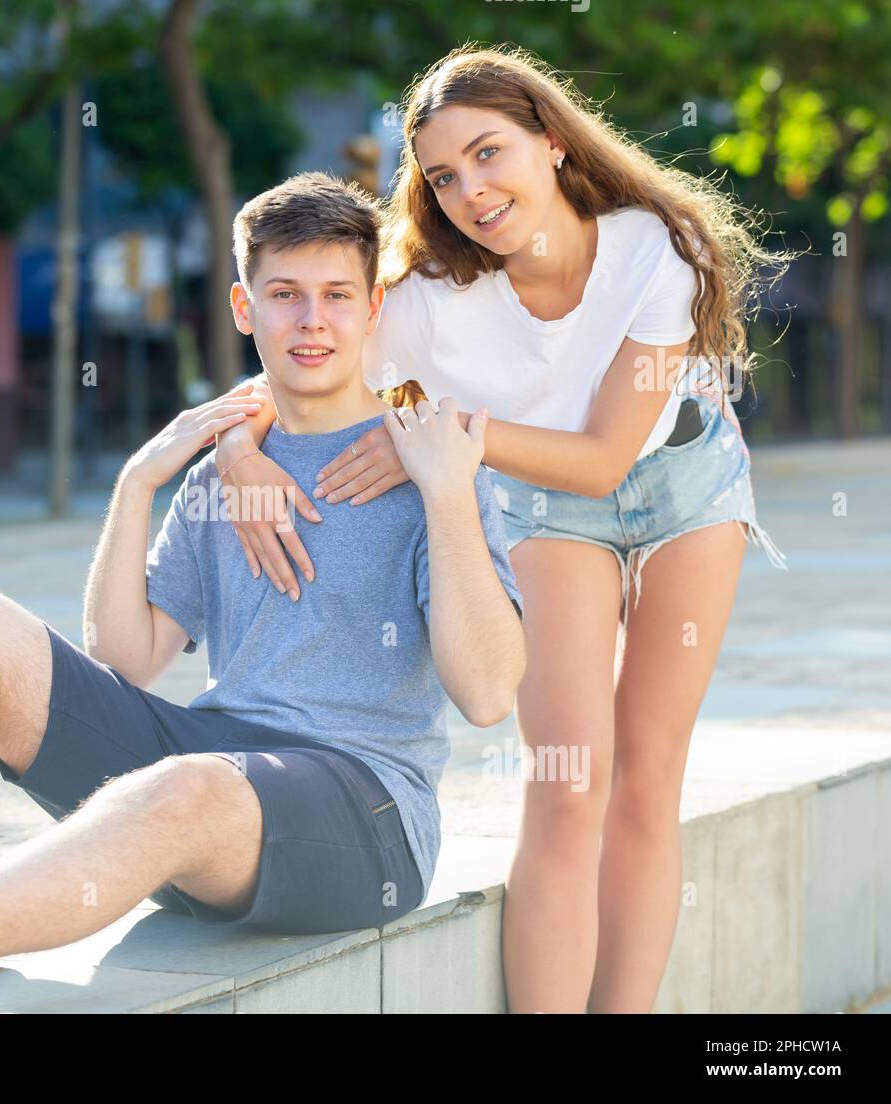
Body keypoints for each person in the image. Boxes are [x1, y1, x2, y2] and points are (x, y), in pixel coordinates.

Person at [0, 170, 525, 1015]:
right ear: (245, 309)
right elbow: (123, 661)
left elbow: (490, 693)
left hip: (363, 810)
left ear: (373, 309)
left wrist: (448, 495)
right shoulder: (219, 468)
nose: (311, 321)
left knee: (184, 783)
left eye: (335, 296)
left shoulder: (432, 460)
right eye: (284, 295)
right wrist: (139, 481)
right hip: (212, 781)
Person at [214, 45, 794, 1014]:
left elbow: (607, 454)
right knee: (568, 785)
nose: (470, 192)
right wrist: (238, 448)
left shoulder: (656, 250)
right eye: (442, 176)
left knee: (648, 781)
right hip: (542, 506)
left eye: (489, 155)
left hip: (685, 481)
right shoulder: (429, 304)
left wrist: (441, 439)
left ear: (552, 143)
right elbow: (302, 362)